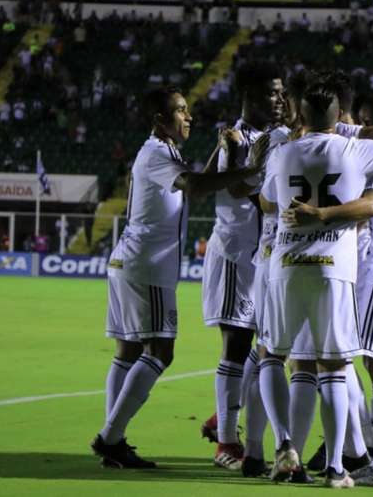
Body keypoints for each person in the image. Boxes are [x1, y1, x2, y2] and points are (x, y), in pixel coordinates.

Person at [257, 81, 373, 488]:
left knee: (273, 356)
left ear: (301, 117)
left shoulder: (281, 153)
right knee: (336, 370)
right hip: (333, 269)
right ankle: (338, 467)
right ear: (341, 118)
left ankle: (285, 444)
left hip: (285, 265)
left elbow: (267, 202)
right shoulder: (357, 149)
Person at [90, 86, 268, 468]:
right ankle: (110, 437)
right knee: (161, 351)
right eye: (181, 111)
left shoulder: (163, 151)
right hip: (148, 265)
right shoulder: (156, 152)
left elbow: (193, 183)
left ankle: (114, 438)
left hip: (129, 261)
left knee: (128, 352)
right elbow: (196, 186)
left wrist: (219, 153)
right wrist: (250, 170)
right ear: (160, 119)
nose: (189, 117)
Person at [199, 61, 285, 471]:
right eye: (272, 92)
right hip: (237, 253)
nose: (279, 99)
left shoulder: (274, 137)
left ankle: (223, 415)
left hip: (265, 257)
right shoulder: (234, 138)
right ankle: (226, 444)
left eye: (282, 92)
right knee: (236, 345)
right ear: (249, 97)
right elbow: (234, 187)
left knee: (267, 346)